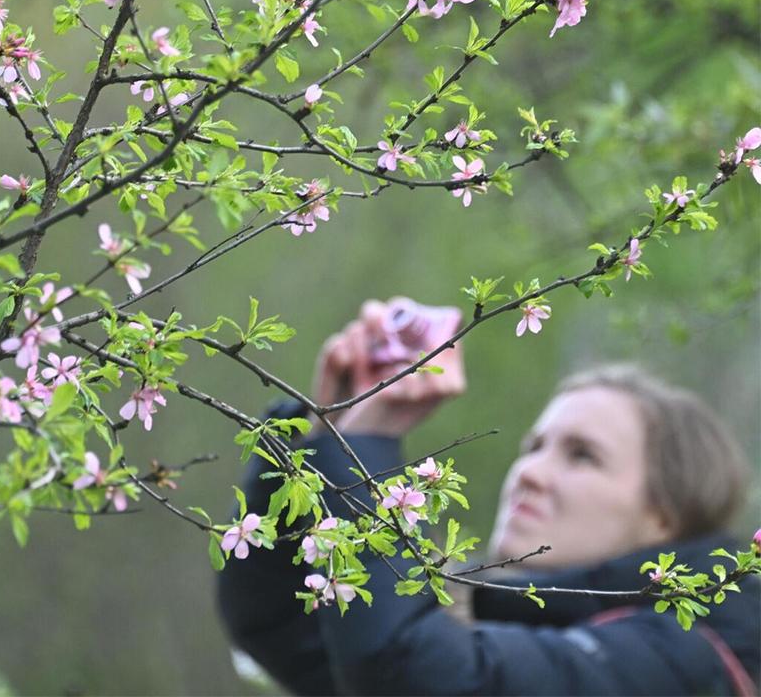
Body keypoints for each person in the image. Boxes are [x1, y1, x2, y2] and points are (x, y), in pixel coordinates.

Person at [217, 298, 759, 696]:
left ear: (665, 516)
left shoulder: (686, 662)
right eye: (534, 446)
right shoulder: (490, 627)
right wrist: (321, 433)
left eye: (582, 456)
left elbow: (413, 676)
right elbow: (278, 624)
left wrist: (365, 449)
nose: (530, 473)